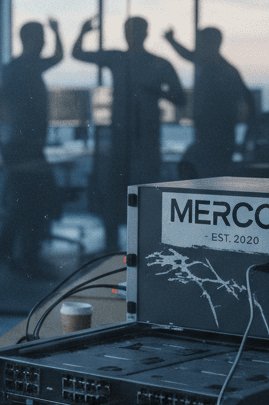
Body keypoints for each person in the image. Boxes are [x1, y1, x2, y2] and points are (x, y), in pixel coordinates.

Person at [71, 16, 185, 250]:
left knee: (140, 192)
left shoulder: (149, 62)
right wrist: (82, 32)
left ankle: (138, 246)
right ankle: (116, 245)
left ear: (145, 33)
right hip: (124, 139)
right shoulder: (124, 59)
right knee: (118, 192)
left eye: (136, 30)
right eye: (129, 30)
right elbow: (78, 54)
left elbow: (180, 98)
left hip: (142, 139)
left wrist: (156, 92)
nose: (132, 35)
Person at [0, 18, 64, 279]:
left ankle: (7, 253)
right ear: (28, 40)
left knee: (24, 203)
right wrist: (57, 32)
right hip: (25, 147)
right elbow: (58, 57)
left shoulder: (17, 67)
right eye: (41, 38)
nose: (44, 42)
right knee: (37, 202)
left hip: (21, 146)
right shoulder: (25, 67)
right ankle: (27, 260)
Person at [164, 26, 254, 179]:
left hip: (215, 140)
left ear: (210, 44)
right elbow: (188, 55)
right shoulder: (221, 68)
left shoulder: (222, 70)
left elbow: (249, 105)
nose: (198, 47)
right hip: (213, 139)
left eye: (200, 43)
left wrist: (246, 140)